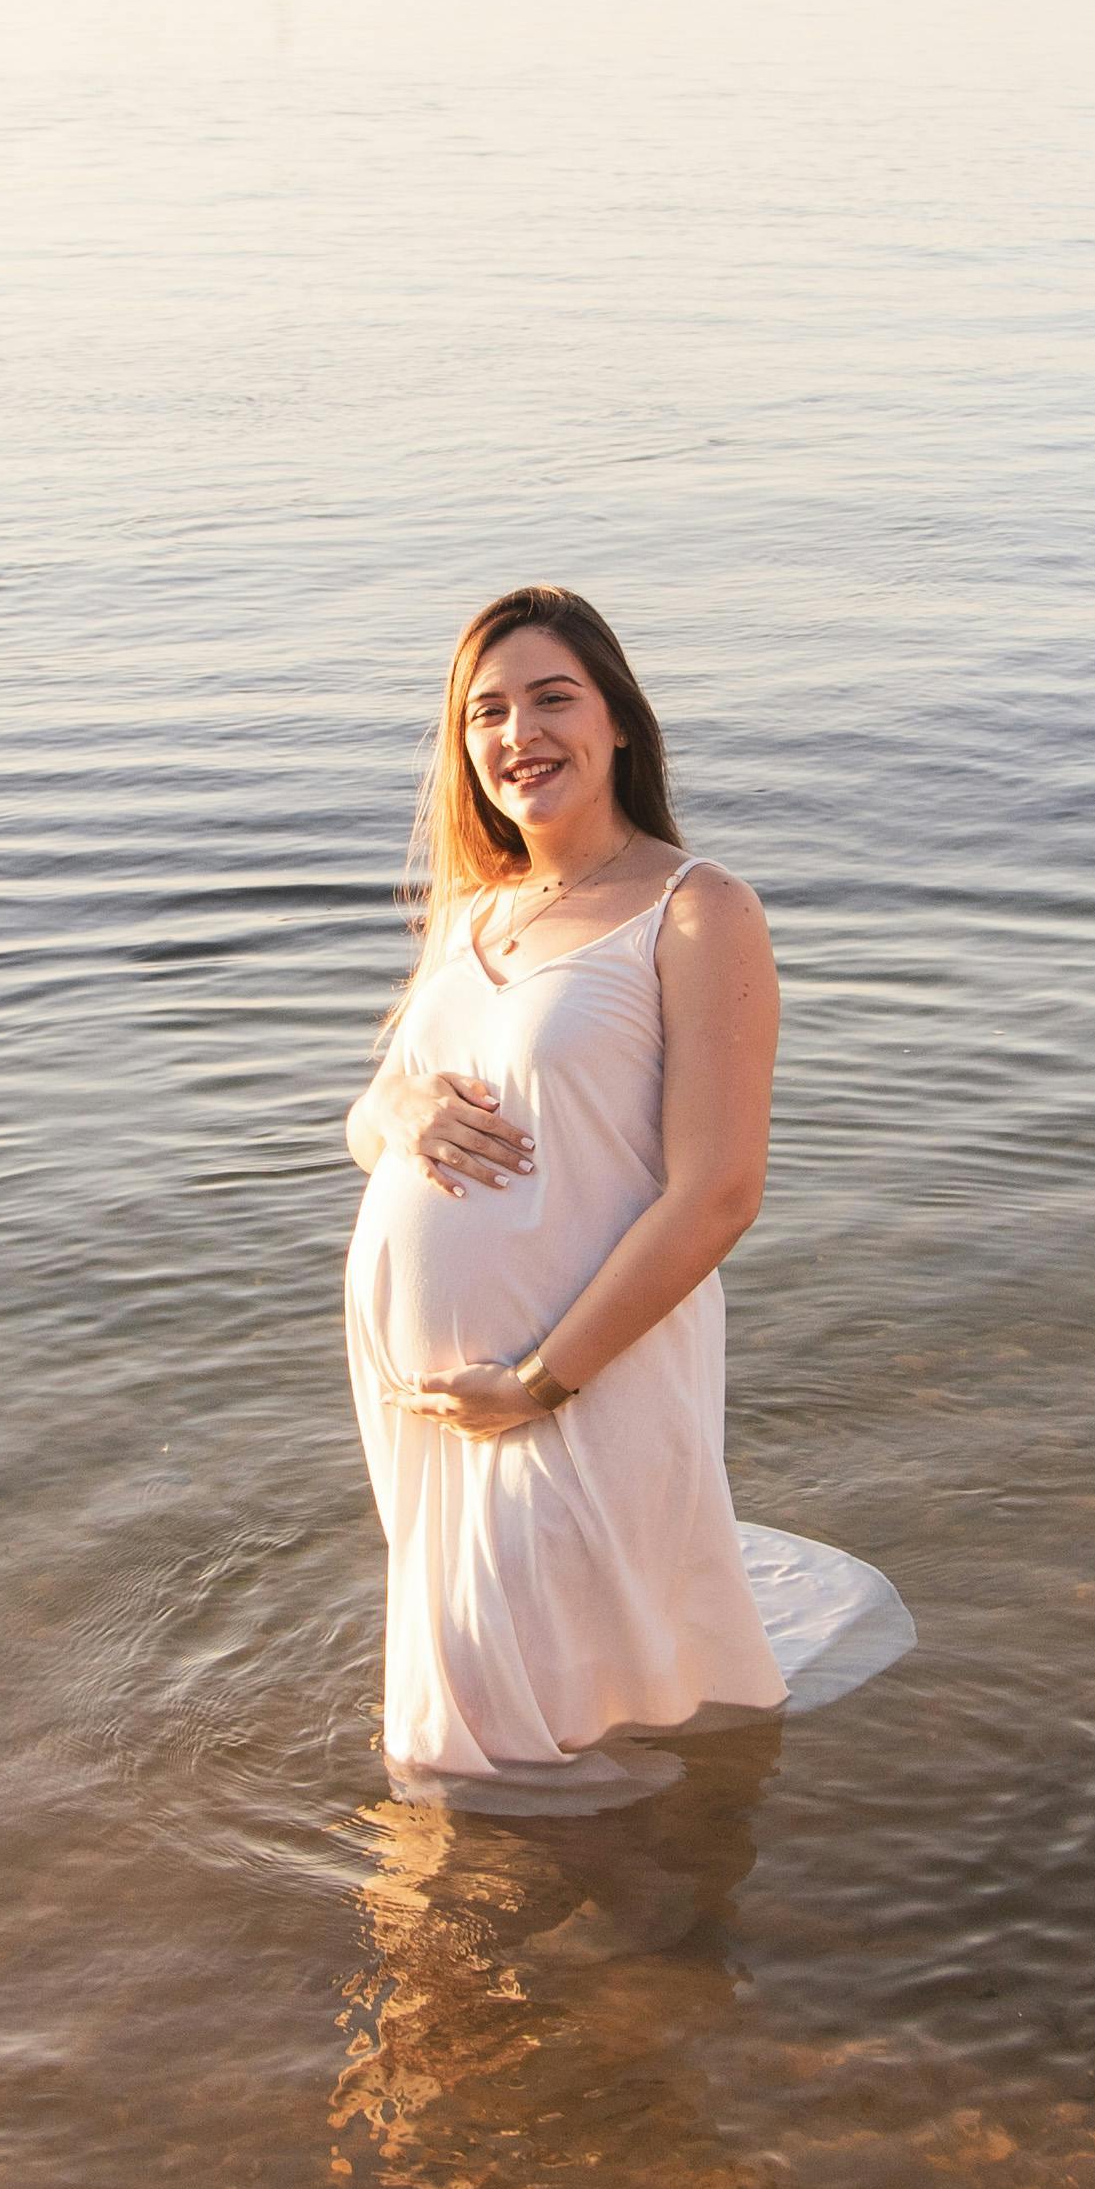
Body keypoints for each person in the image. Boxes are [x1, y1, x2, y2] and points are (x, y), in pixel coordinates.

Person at [340, 585, 904, 1803]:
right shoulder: (476, 914)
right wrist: (395, 1112)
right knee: (498, 1725)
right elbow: (369, 1113)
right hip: (443, 1414)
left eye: (553, 698)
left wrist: (539, 1381)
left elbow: (719, 1193)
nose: (517, 732)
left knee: (513, 1755)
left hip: (572, 1384)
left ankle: (617, 1962)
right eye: (487, 710)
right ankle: (571, 1955)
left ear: (621, 726)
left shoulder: (694, 909)